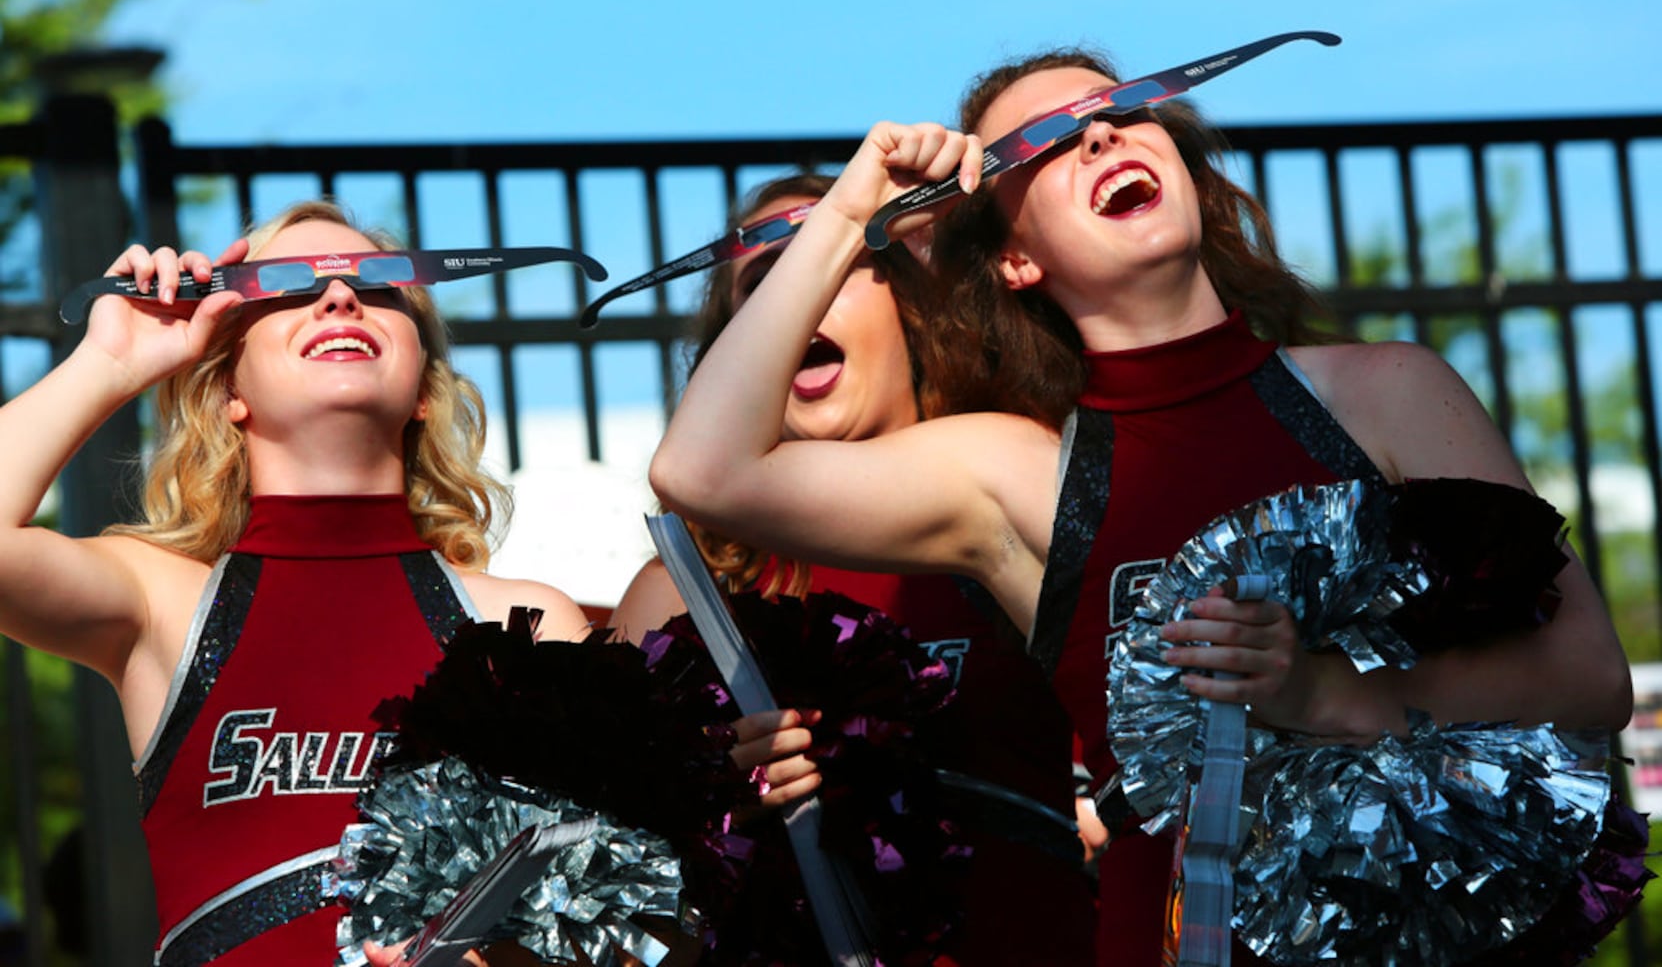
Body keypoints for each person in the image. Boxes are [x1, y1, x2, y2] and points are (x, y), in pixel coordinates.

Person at [648, 48, 1633, 965]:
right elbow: (705, 470)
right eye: (1045, 141)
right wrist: (851, 204)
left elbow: (1591, 674)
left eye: (1120, 111)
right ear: (1013, 259)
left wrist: (1320, 695)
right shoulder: (1017, 471)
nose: (1102, 137)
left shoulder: (1389, 390)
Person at [0, 199, 589, 965]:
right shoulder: (160, 600)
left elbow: (601, 908)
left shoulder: (530, 624)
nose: (340, 297)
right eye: (285, 286)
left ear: (423, 389)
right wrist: (109, 365)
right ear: (226, 390)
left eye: (380, 285)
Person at [609, 173, 1097, 965]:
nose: (789, 289)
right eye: (760, 286)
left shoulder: (1013, 484)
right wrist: (705, 804)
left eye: (826, 264)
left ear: (909, 306)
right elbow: (611, 904)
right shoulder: (678, 592)